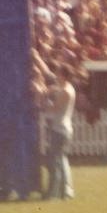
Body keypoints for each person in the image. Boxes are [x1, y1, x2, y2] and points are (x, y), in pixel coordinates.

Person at [38, 65, 77, 200]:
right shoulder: (68, 89)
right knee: (61, 160)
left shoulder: (66, 91)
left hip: (59, 129)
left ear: (64, 76)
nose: (56, 76)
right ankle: (65, 191)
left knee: (54, 162)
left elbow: (54, 109)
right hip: (64, 128)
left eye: (59, 74)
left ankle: (53, 193)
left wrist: (44, 97)